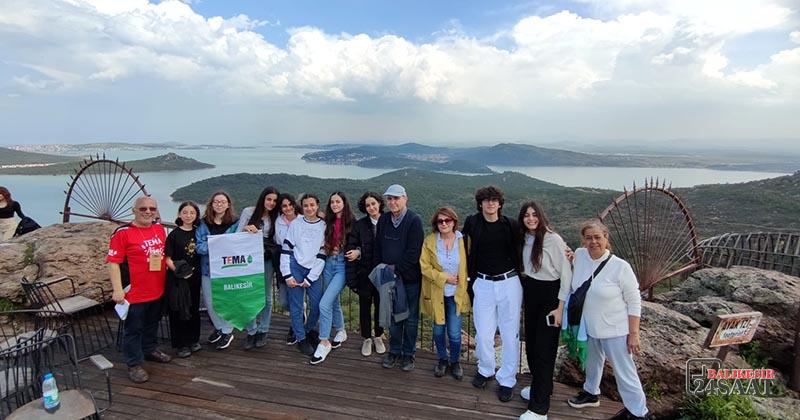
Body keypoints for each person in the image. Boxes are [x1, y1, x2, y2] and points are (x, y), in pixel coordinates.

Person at [566, 220, 649, 420]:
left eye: (597, 237)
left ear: (606, 238)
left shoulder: (620, 267)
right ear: (583, 240)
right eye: (588, 238)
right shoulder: (580, 256)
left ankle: (639, 412)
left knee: (624, 372)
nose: (593, 242)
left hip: (615, 329)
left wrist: (633, 334)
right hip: (590, 327)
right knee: (593, 364)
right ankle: (591, 393)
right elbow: (569, 259)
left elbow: (634, 301)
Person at [462, 185, 522, 402]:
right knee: (484, 332)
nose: (490, 203)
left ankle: (507, 378)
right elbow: (459, 244)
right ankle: (486, 368)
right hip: (483, 282)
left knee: (509, 333)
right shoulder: (472, 222)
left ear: (500, 203)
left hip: (509, 282)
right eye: (486, 200)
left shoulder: (511, 225)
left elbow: (531, 242)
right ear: (480, 203)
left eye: (494, 200)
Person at [516, 202, 573, 420]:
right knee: (531, 344)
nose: (530, 219)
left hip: (550, 295)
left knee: (544, 349)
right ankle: (542, 388)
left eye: (534, 215)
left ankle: (539, 409)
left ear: (541, 216)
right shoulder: (525, 238)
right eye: (526, 215)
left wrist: (560, 308)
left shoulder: (553, 239)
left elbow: (565, 275)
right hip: (531, 291)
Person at [107, 196, 172, 383]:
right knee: (133, 329)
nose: (148, 212)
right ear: (133, 210)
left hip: (157, 289)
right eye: (143, 209)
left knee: (152, 323)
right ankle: (134, 363)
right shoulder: (122, 233)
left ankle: (149, 349)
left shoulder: (159, 229)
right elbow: (113, 263)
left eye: (152, 208)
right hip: (134, 292)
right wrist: (117, 290)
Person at [374, 184, 424, 372]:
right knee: (394, 317)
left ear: (405, 199)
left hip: (409, 279)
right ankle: (394, 351)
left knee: (410, 319)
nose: (392, 202)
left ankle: (408, 354)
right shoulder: (384, 219)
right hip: (388, 277)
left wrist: (396, 270)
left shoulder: (414, 221)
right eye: (390, 199)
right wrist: (380, 269)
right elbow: (378, 246)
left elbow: (413, 253)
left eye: (396, 198)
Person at [420, 207, 469, 380]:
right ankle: (442, 359)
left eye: (447, 220)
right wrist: (443, 277)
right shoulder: (430, 241)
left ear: (454, 222)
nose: (444, 224)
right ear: (436, 224)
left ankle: (455, 361)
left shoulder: (464, 241)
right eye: (440, 221)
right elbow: (424, 267)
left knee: (455, 334)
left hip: (456, 295)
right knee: (438, 330)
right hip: (437, 294)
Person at [311, 192, 356, 364]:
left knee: (324, 303)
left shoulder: (352, 223)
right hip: (328, 262)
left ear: (344, 203)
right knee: (333, 300)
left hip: (342, 265)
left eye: (338, 201)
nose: (335, 204)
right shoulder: (327, 221)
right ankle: (341, 330)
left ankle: (324, 341)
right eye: (332, 202)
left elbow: (360, 242)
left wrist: (357, 252)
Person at [280, 193, 326, 357]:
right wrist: (287, 275)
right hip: (296, 267)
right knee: (296, 306)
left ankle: (307, 330)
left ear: (317, 205)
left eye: (312, 205)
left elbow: (322, 254)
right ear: (302, 207)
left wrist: (310, 278)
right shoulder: (296, 224)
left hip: (313, 269)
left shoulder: (323, 226)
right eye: (306, 205)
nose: (309, 208)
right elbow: (286, 250)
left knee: (317, 305)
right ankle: (301, 338)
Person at [236, 186, 280, 350]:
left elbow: (276, 239)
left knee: (267, 297)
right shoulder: (248, 212)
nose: (271, 203)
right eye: (269, 199)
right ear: (262, 198)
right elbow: (237, 235)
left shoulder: (276, 217)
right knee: (248, 295)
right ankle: (251, 330)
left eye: (275, 201)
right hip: (248, 259)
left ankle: (264, 329)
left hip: (266, 259)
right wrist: (247, 231)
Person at [196, 191, 239, 351]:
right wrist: (218, 246)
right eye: (216, 201)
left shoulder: (236, 223)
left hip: (228, 270)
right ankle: (219, 327)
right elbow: (199, 246)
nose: (219, 204)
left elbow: (239, 243)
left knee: (227, 302)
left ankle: (227, 331)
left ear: (228, 204)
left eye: (222, 201)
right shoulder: (203, 223)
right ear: (211, 204)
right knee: (210, 302)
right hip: (208, 270)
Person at [345, 192, 386, 357]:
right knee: (364, 307)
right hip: (365, 274)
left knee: (381, 306)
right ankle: (367, 338)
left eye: (374, 203)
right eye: (368, 205)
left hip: (383, 273)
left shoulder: (388, 221)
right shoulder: (360, 225)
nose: (371, 207)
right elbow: (351, 246)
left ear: (379, 203)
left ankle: (378, 336)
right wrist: (358, 252)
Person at [164, 201, 203, 358]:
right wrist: (180, 272)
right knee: (179, 310)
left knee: (194, 309)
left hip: (195, 279)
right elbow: (167, 258)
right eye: (185, 212)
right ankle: (181, 344)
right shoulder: (174, 235)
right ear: (180, 214)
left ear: (196, 215)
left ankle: (193, 340)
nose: (188, 215)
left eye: (192, 213)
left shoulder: (198, 232)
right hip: (179, 280)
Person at [275, 193, 301, 345]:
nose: (288, 208)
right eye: (284, 206)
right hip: (283, 262)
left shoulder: (302, 219)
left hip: (299, 262)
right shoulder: (278, 221)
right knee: (284, 301)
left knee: (296, 299)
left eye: (290, 204)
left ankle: (295, 326)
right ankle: (298, 316)